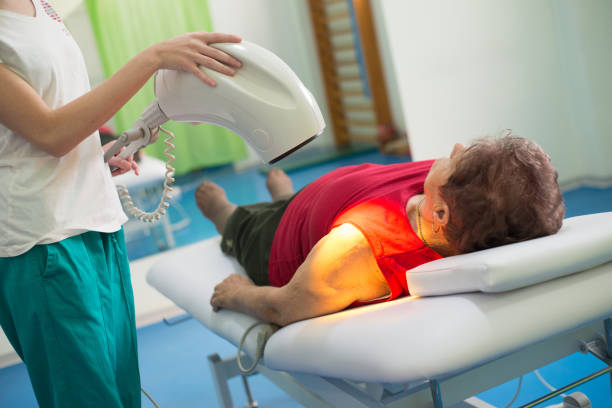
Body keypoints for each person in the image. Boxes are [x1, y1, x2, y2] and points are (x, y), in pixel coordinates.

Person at [0, 0, 242, 406]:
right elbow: (50, 132)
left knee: (123, 393)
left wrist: (94, 158)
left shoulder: (40, 6)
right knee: (87, 399)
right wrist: (154, 58)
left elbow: (53, 115)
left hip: (98, 226)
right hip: (44, 242)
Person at [196, 136, 565, 327]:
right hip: (318, 206)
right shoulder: (461, 207)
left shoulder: (359, 253)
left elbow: (284, 307)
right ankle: (287, 197)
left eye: (459, 158)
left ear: (439, 212)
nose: (455, 147)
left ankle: (229, 218)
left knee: (232, 215)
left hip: (278, 240)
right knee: (288, 199)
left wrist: (238, 294)